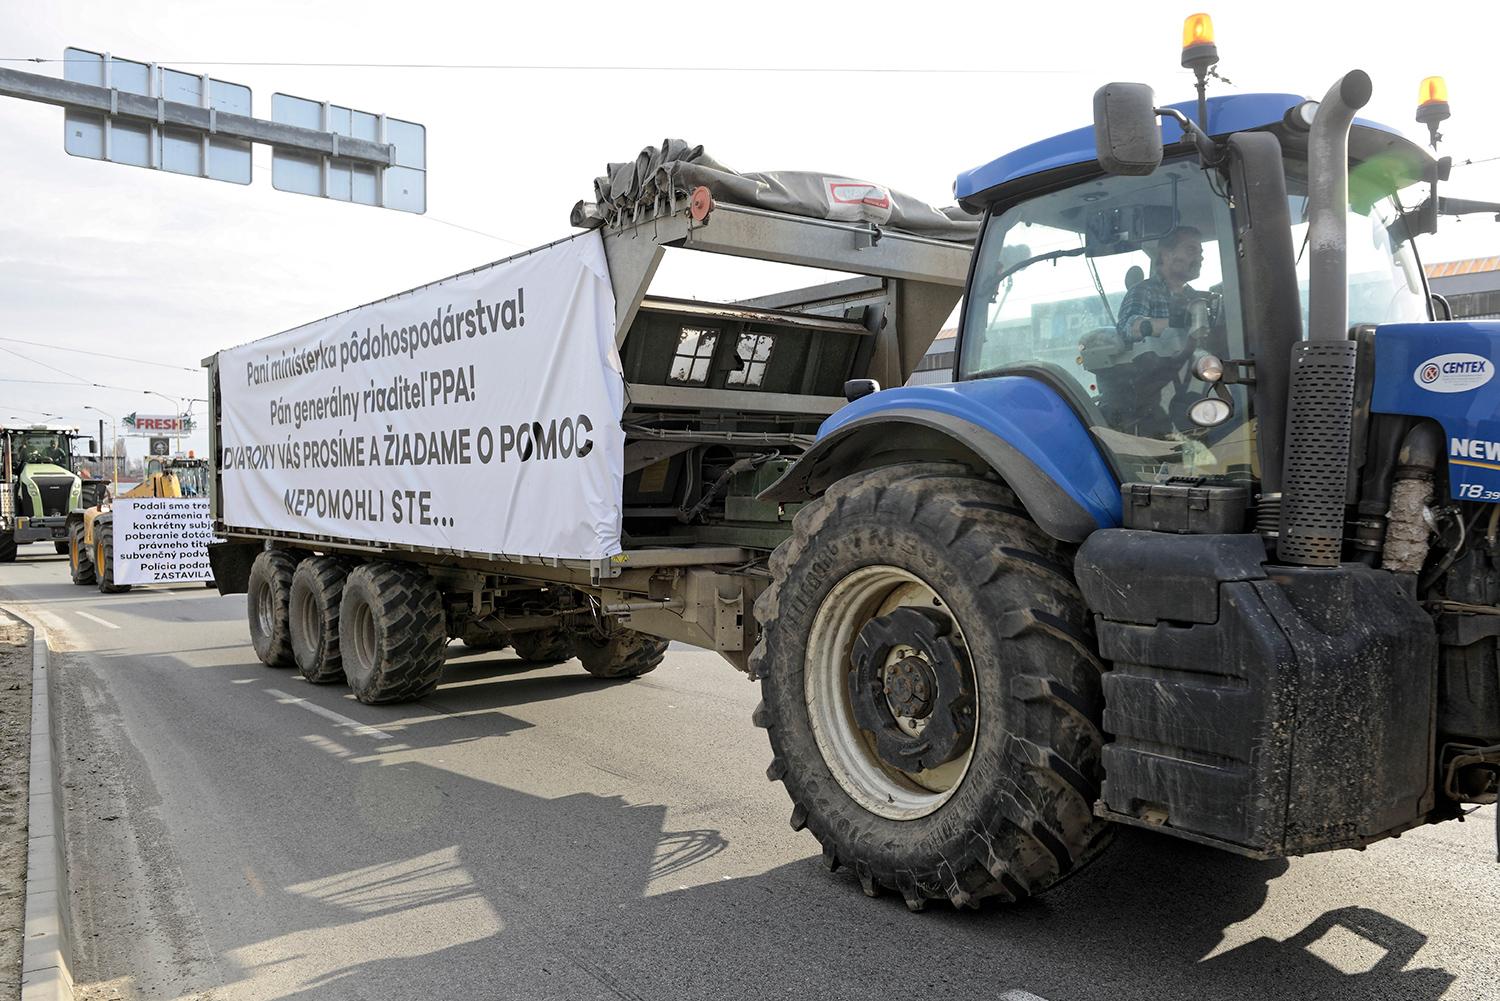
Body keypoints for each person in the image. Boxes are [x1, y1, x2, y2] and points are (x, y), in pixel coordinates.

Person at [1116, 225, 1204, 343]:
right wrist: (1181, 323)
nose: (1200, 258)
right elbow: (1130, 328)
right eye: (1191, 250)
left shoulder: (1195, 297)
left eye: (1200, 252)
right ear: (1166, 255)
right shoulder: (1144, 291)